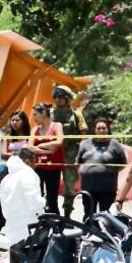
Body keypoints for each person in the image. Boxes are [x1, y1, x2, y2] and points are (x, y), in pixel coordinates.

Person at [76, 117, 127, 217]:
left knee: (106, 216)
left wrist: (109, 171)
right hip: (88, 188)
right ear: (94, 130)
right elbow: (78, 163)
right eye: (99, 128)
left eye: (104, 128)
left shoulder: (115, 144)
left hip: (107, 188)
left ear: (108, 129)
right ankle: (89, 231)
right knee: (89, 214)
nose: (101, 130)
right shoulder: (85, 144)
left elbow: (122, 164)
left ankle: (104, 233)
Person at [51, 85, 87, 219]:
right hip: (54, 153)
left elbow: (83, 134)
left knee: (69, 187)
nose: (58, 100)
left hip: (71, 154)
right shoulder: (50, 114)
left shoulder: (76, 115)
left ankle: (67, 214)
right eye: (56, 97)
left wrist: (81, 154)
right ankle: (52, 212)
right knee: (51, 185)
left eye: (61, 97)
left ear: (67, 99)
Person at [0, 148, 45, 246]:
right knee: (28, 259)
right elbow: (34, 203)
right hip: (27, 227)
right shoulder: (28, 174)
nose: (35, 165)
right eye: (34, 162)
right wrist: (44, 201)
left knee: (14, 258)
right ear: (27, 162)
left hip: (10, 226)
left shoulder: (6, 178)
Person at [28, 102, 65, 215]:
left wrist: (40, 146)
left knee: (52, 199)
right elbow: (30, 147)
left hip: (53, 168)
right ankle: (40, 223)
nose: (34, 118)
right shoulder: (35, 130)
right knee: (37, 198)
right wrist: (49, 149)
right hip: (38, 167)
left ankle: (57, 225)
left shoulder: (57, 126)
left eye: (35, 115)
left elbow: (59, 141)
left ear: (44, 113)